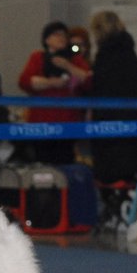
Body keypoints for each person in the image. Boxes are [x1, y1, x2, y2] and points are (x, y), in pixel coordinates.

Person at [89, 10, 137, 184]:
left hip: (111, 128)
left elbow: (102, 88)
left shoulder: (105, 57)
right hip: (135, 124)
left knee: (113, 175)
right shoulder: (130, 53)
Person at [18, 21, 91, 165]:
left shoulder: (75, 60)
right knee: (43, 163)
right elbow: (25, 82)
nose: (62, 37)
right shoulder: (37, 57)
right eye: (56, 34)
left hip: (67, 122)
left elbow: (89, 82)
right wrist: (52, 83)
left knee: (66, 161)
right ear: (47, 39)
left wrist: (67, 66)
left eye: (64, 35)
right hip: (41, 122)